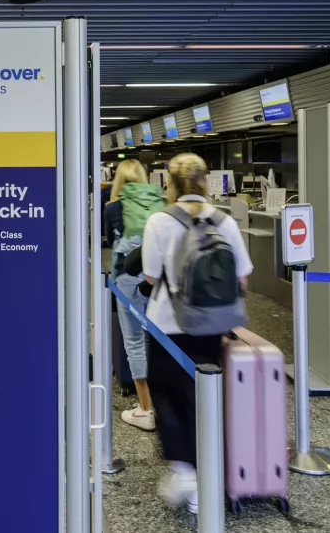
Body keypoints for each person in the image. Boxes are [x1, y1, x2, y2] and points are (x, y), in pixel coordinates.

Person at [141, 153, 253, 513]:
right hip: (211, 325)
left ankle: (184, 472)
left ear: (169, 184)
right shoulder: (224, 220)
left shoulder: (159, 220)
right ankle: (208, 474)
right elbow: (242, 278)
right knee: (203, 396)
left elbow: (150, 277)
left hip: (167, 325)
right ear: (206, 181)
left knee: (168, 395)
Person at [103, 159, 163, 431]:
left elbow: (110, 240)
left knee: (134, 340)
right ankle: (164, 404)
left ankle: (145, 408)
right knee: (158, 338)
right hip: (158, 277)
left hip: (126, 277)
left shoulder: (113, 206)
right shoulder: (160, 204)